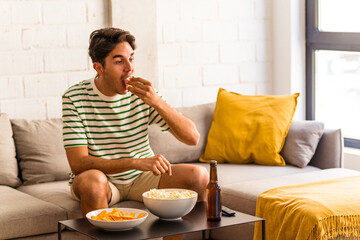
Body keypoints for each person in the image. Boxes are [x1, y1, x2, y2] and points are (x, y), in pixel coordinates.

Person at [62, 27, 209, 220]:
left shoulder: (143, 93)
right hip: (103, 178)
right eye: (119, 61)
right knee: (92, 181)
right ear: (99, 68)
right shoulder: (75, 98)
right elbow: (78, 163)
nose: (129, 68)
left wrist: (157, 101)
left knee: (198, 176)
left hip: (142, 177)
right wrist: (136, 162)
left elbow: (192, 138)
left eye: (131, 58)